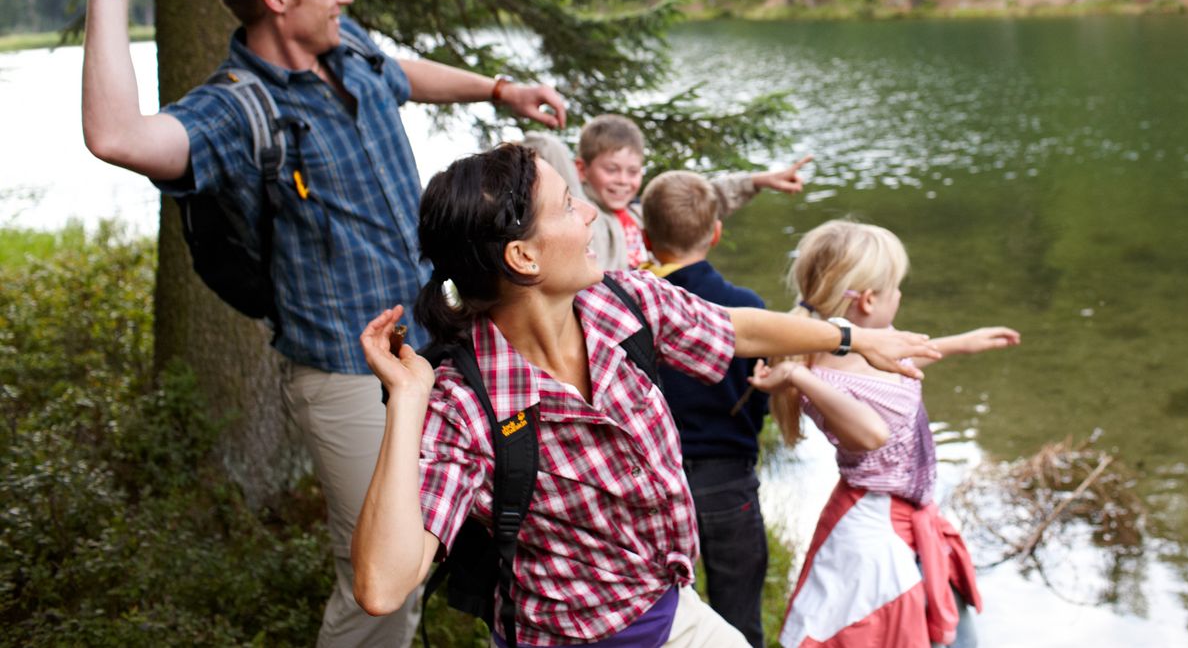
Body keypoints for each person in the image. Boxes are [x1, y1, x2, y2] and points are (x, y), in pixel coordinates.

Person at [77, 0, 567, 648]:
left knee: (469, 529)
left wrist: (498, 90)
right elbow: (116, 136)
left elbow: (401, 76)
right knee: (379, 586)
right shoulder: (237, 110)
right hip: (345, 376)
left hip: (431, 344)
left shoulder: (349, 47)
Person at [349, 144, 940, 648]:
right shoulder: (463, 407)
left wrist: (851, 337)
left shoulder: (623, 303)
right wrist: (408, 400)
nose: (590, 215)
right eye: (568, 206)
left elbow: (734, 328)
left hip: (671, 612)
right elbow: (381, 586)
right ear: (523, 257)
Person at [748, 220, 1020, 648]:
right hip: (874, 531)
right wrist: (798, 377)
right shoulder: (823, 380)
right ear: (869, 300)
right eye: (896, 287)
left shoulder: (872, 345)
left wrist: (960, 343)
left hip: (913, 515)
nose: (900, 295)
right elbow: (872, 432)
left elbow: (897, 375)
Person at [640, 169, 771, 648]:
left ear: (646, 238)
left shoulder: (636, 310)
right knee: (739, 616)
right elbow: (760, 399)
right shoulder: (745, 307)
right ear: (716, 233)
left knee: (667, 617)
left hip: (656, 484)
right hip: (729, 480)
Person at [564, 113, 811, 270]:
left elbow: (699, 199)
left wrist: (757, 181)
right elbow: (551, 151)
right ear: (581, 169)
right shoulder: (579, 218)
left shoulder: (640, 213)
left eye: (633, 171)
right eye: (611, 169)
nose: (623, 181)